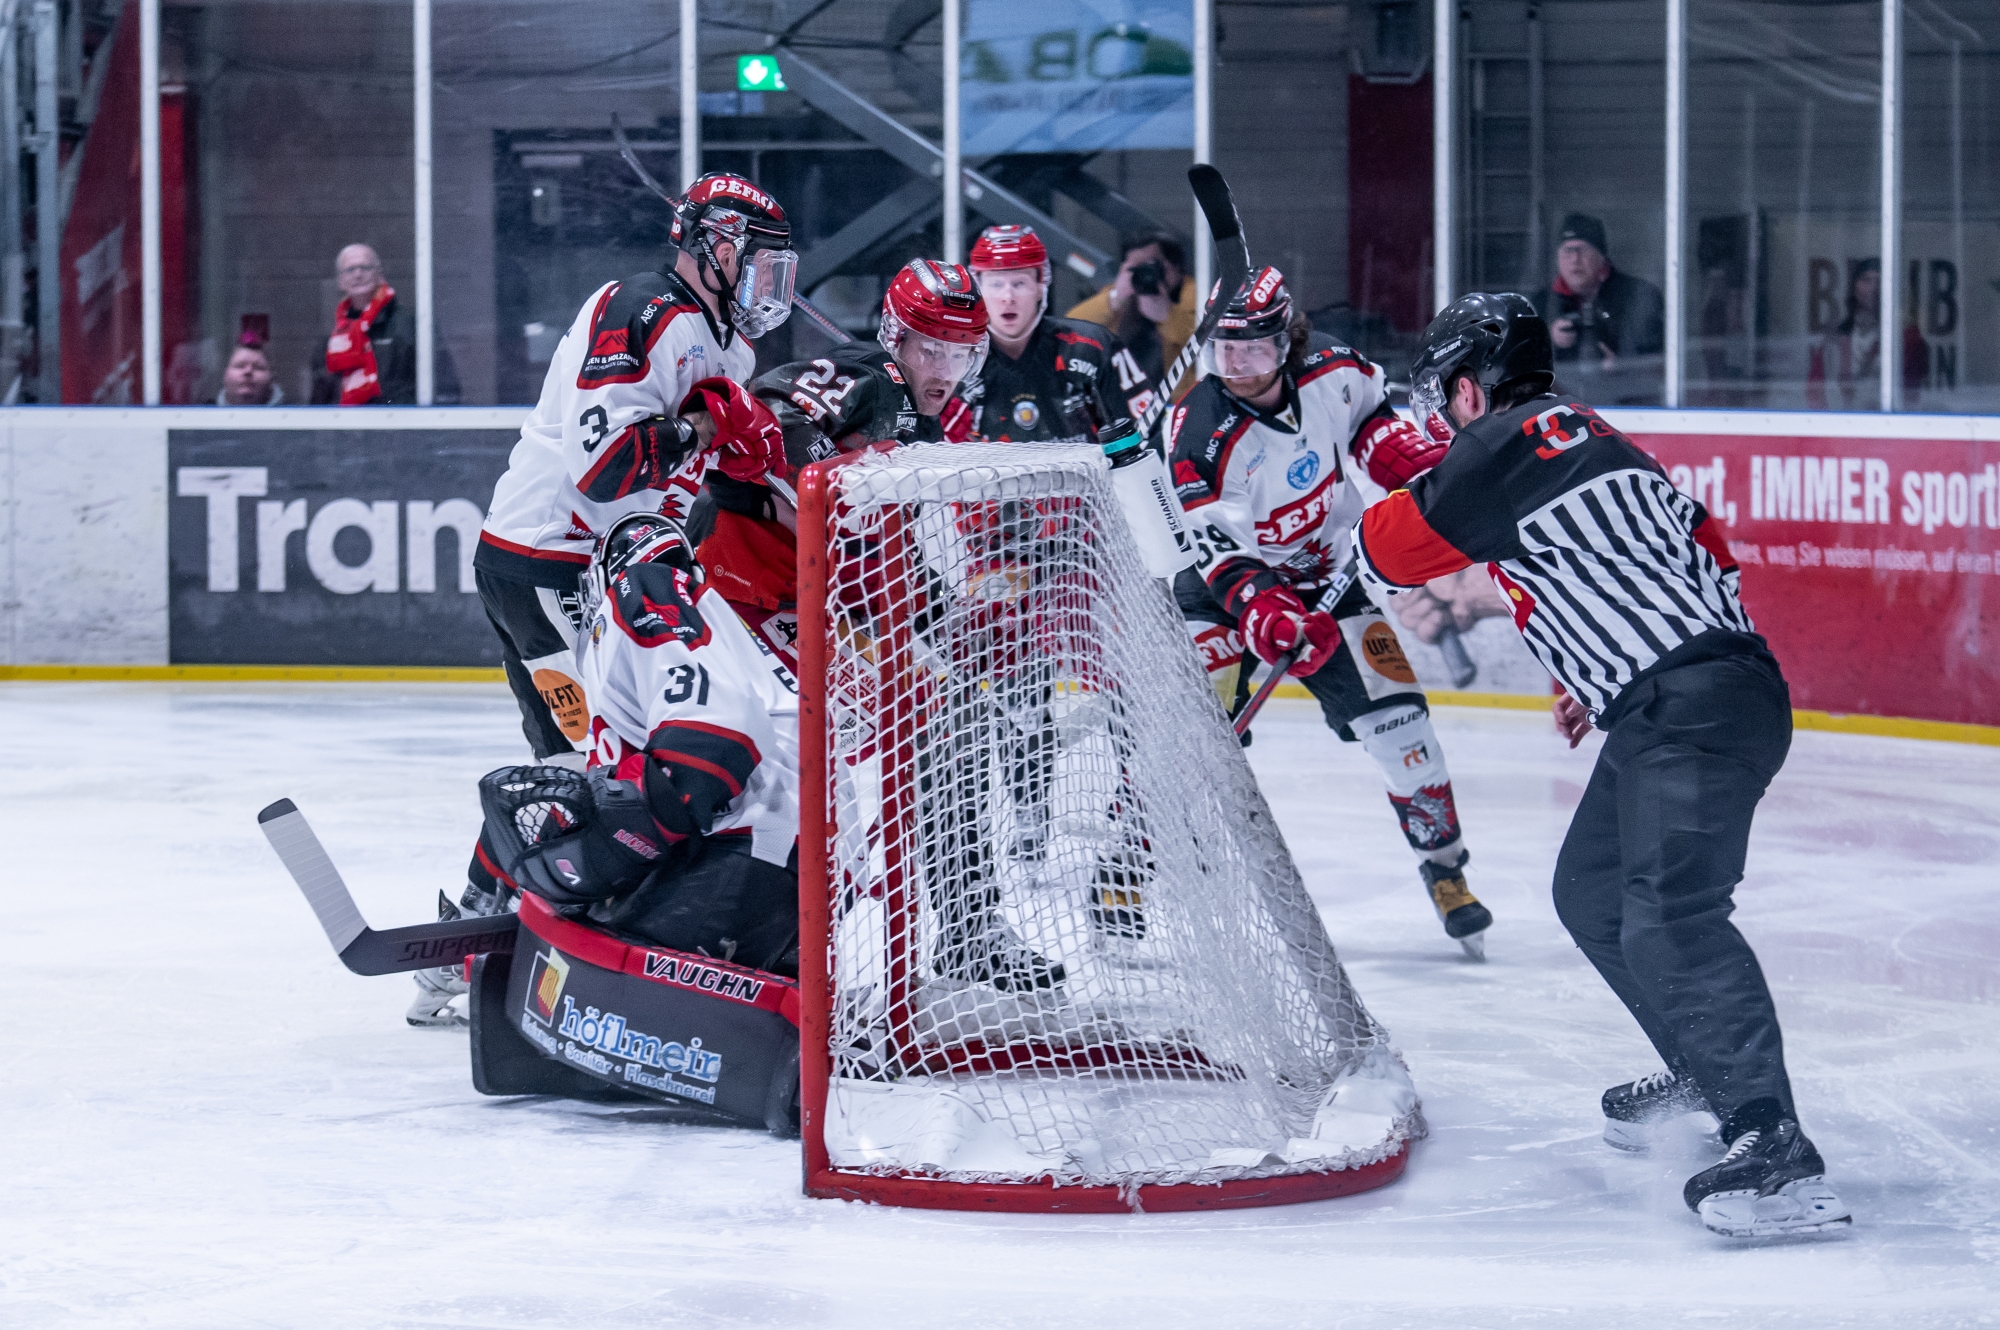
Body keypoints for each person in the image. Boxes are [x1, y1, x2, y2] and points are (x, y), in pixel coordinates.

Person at [1353, 291, 1850, 1239]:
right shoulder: (1606, 443)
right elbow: (1701, 556)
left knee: (1671, 912)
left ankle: (1772, 1142)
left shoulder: (1500, 441)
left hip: (1687, 708)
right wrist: (1601, 662)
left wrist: (1376, 507)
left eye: (1445, 398)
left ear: (1469, 386)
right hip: (1698, 694)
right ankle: (1710, 1071)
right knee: (1592, 893)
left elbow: (1393, 550)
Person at [408, 173, 793, 1027]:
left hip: (612, 569)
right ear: (712, 244)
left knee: (585, 756)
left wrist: (747, 451)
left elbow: (696, 478)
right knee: (586, 760)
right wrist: (706, 427)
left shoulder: (729, 345)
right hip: (548, 563)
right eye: (759, 262)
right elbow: (604, 468)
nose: (771, 285)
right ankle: (473, 940)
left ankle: (478, 926)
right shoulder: (641, 310)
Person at [1167, 266, 1492, 957]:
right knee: (1195, 731)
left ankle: (1446, 871)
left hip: (1329, 576)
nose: (1238, 368)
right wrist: (1272, 612)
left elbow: (1370, 421)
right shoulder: (1199, 432)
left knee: (1404, 728)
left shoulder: (1335, 367)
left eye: (1252, 350)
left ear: (1286, 341)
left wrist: (1406, 460)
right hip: (1227, 592)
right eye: (1224, 351)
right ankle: (1131, 861)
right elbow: (1222, 557)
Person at [474, 512, 800, 970]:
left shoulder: (642, 589)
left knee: (580, 963)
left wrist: (623, 830)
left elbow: (713, 743)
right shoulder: (718, 628)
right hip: (796, 859)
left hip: (760, 847)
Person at [684, 257, 991, 672]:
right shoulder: (875, 379)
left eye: (958, 356)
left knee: (902, 708)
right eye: (931, 350)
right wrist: (828, 492)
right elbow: (770, 409)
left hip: (792, 591)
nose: (943, 372)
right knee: (859, 717)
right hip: (735, 574)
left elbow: (888, 546)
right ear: (896, 338)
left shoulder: (923, 429)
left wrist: (943, 613)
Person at [962, 224, 1149, 442]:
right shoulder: (955, 358)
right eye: (995, 284)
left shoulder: (1092, 346)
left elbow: (1144, 433)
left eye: (1019, 283)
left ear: (1041, 286)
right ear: (978, 288)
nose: (1007, 297)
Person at [309, 244, 461, 405]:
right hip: (348, 428)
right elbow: (320, 398)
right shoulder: (332, 335)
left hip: (399, 426)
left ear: (379, 275)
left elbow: (445, 385)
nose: (358, 274)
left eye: (365, 267)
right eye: (350, 270)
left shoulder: (410, 325)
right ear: (341, 281)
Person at [1533, 214, 1663, 402]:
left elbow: (1662, 365)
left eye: (1582, 249)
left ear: (1602, 256)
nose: (1575, 259)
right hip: (1562, 413)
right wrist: (1549, 339)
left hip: (1629, 409)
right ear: (1557, 258)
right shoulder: (1542, 303)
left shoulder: (1638, 296)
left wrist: (1624, 366)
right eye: (1567, 251)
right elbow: (1523, 370)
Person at [1066, 231, 1199, 397]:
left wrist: (1168, 318)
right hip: (1126, 401)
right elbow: (1071, 326)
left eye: (1152, 265)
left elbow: (1207, 342)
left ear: (1175, 266)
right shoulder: (1122, 297)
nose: (1146, 273)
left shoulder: (1197, 295)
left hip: (1178, 403)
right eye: (1137, 267)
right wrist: (1115, 298)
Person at [1806, 258, 1928, 410]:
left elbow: (1912, 393)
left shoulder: (1905, 338)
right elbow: (1814, 393)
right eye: (1866, 280)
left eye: (1879, 281)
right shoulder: (1835, 339)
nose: (1873, 288)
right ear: (1855, 287)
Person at [217, 337, 284, 406]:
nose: (248, 371)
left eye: (258, 367)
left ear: (271, 377)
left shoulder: (293, 413)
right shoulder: (206, 413)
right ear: (225, 374)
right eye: (240, 366)